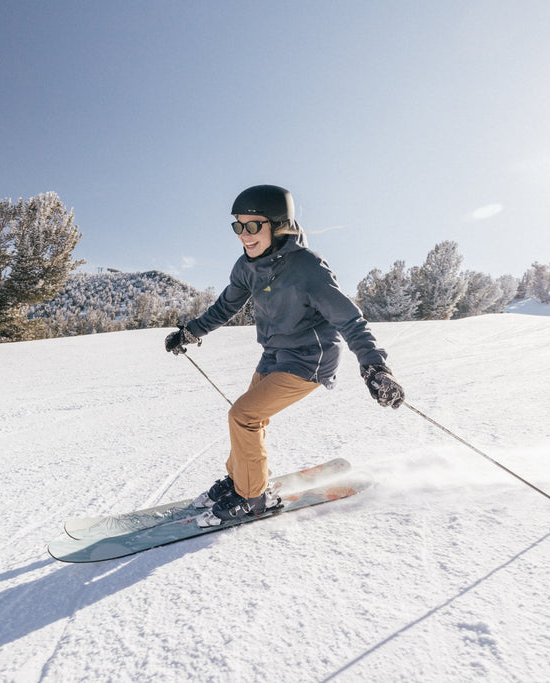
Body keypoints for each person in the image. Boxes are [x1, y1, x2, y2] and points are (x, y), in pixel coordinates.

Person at [165, 184, 404, 527]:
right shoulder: (247, 267)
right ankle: (240, 480)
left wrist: (375, 366)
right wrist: (191, 332)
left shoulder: (308, 268)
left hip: (310, 359)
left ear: (278, 225)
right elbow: (225, 306)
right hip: (275, 354)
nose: (243, 235)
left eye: (252, 226)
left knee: (243, 414)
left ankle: (253, 498)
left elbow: (349, 319)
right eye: (238, 226)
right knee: (250, 418)